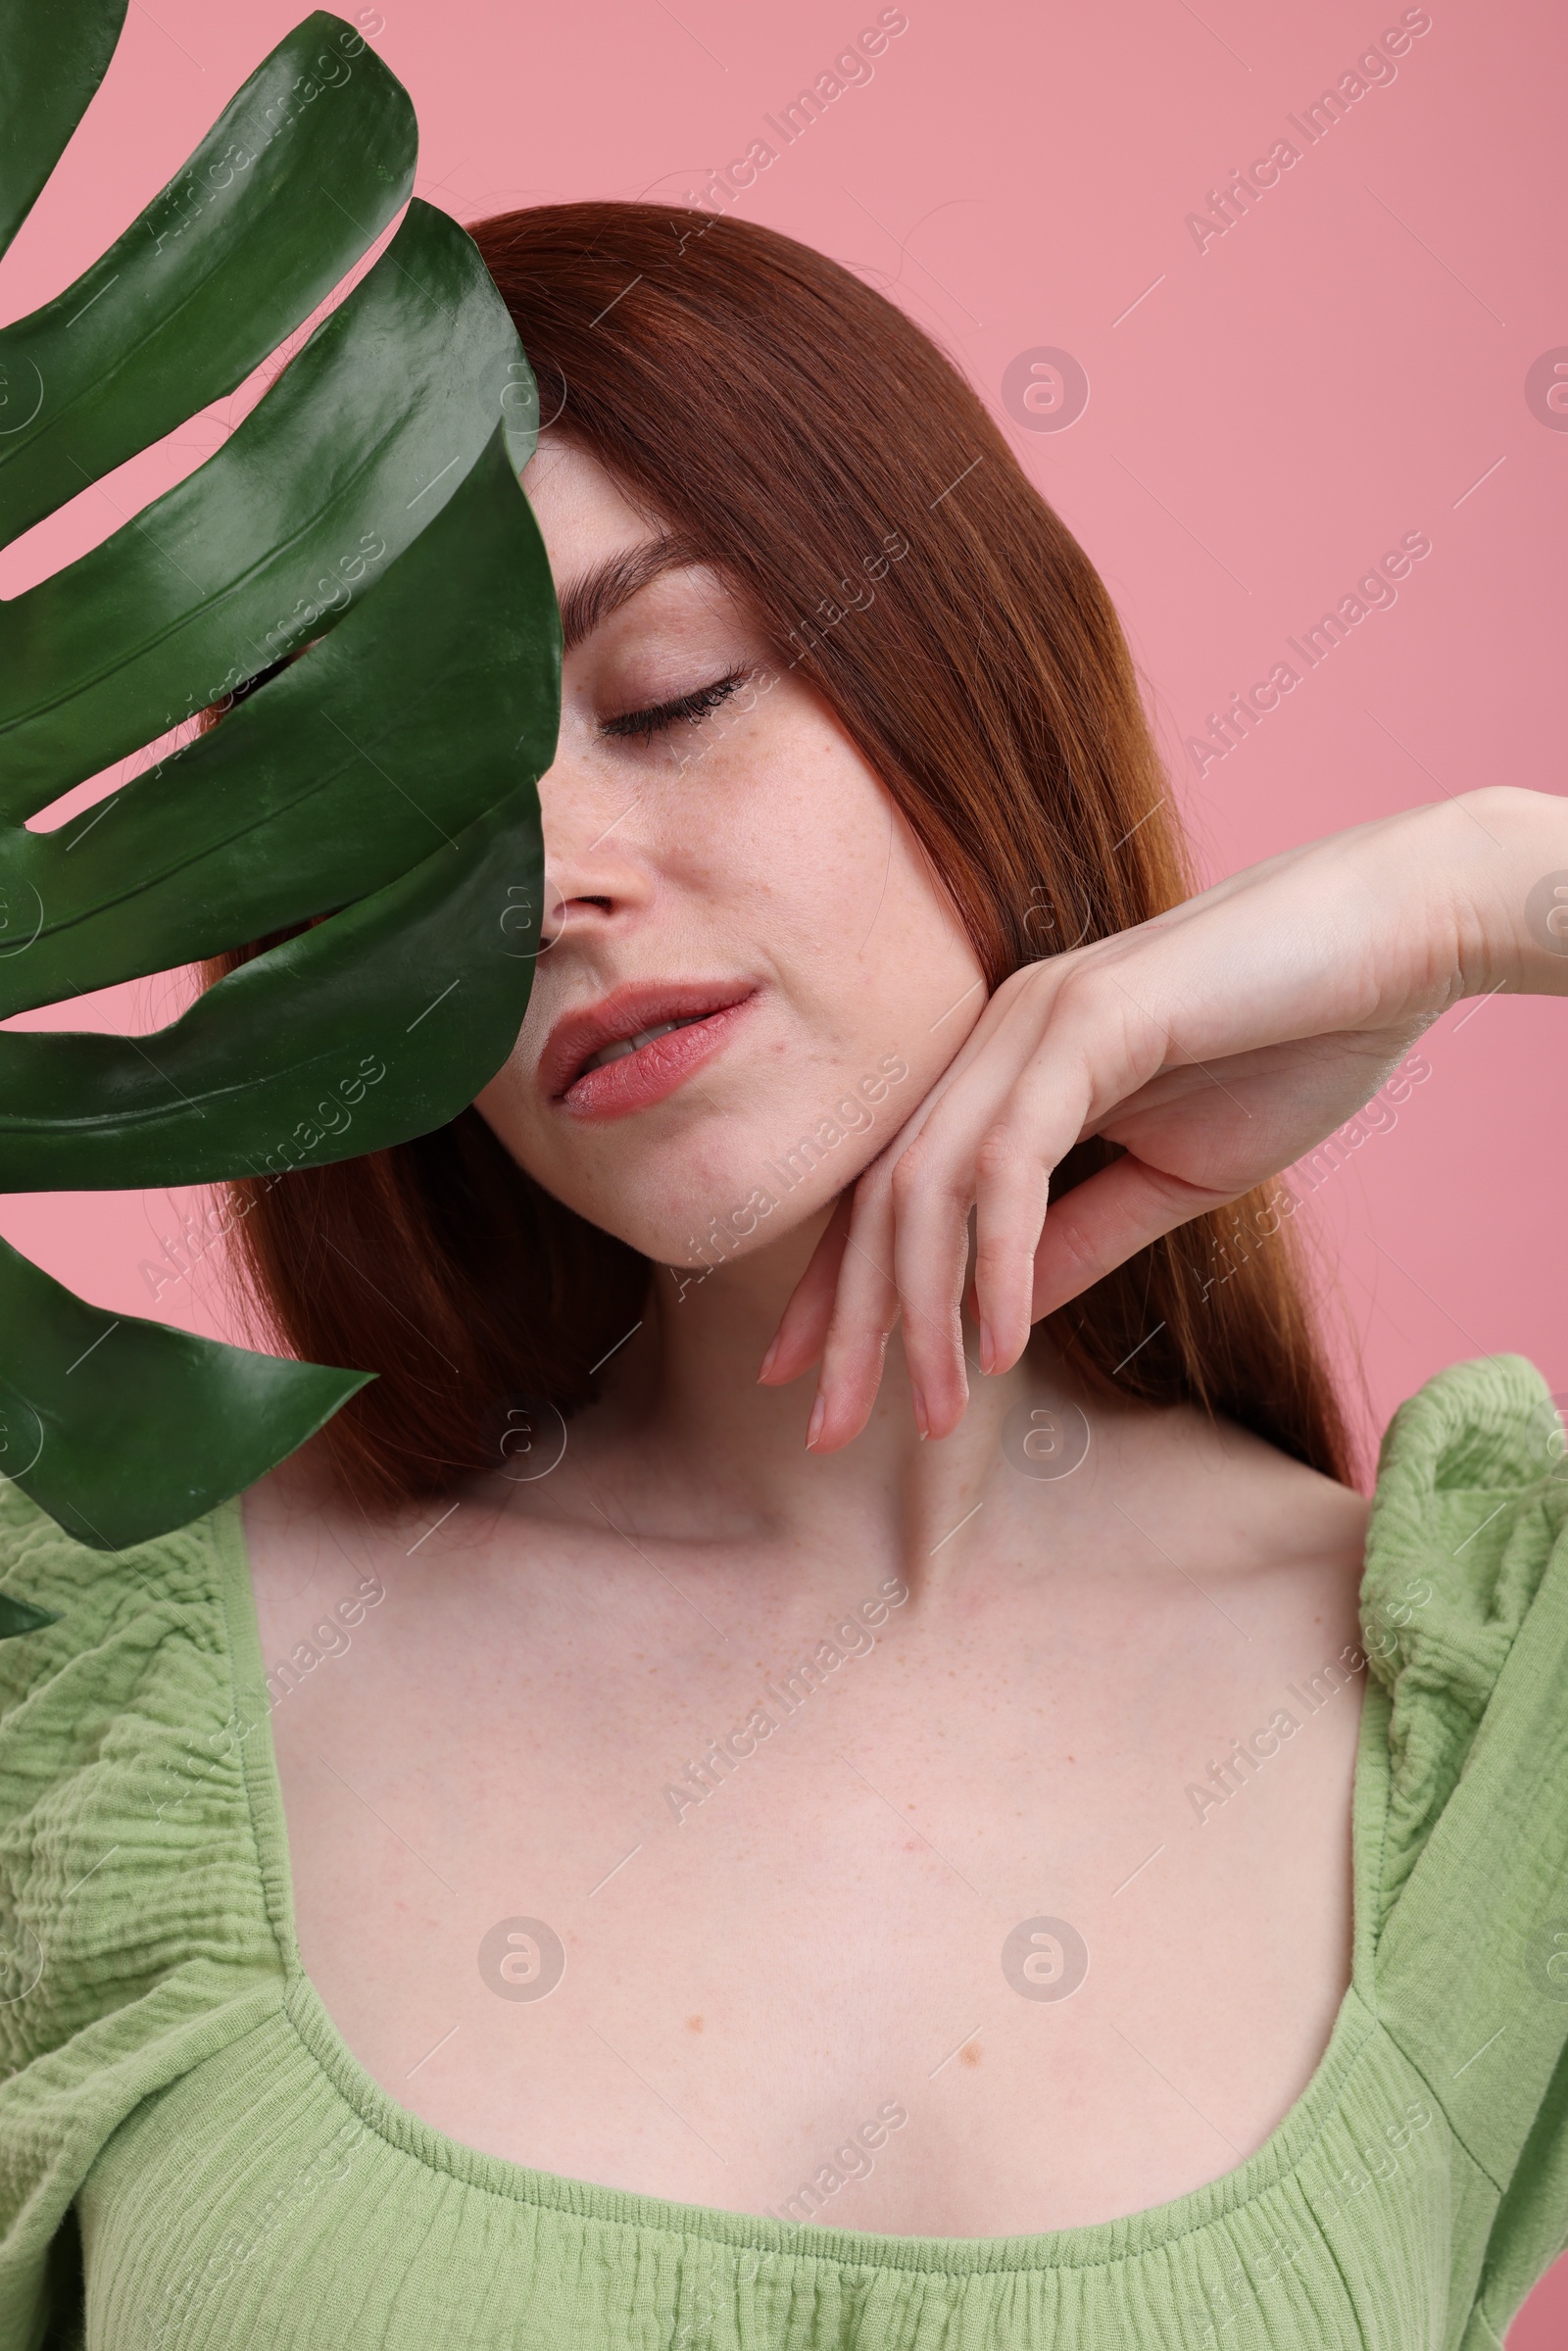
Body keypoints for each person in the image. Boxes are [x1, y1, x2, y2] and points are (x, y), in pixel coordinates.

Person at [2, 202, 1565, 2351]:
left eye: (670, 693)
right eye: (425, 825)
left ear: (963, 670)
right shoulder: (88, 1681)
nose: (554, 885)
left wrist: (1482, 891)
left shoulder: (1486, 1713)